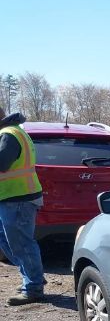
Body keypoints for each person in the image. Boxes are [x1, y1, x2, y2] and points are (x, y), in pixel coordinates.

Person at [0, 107, 46, 305]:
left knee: (22, 244)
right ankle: (32, 275)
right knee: (7, 241)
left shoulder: (8, 134)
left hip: (19, 199)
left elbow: (2, 164)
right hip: (12, 198)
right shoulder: (12, 131)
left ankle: (34, 287)